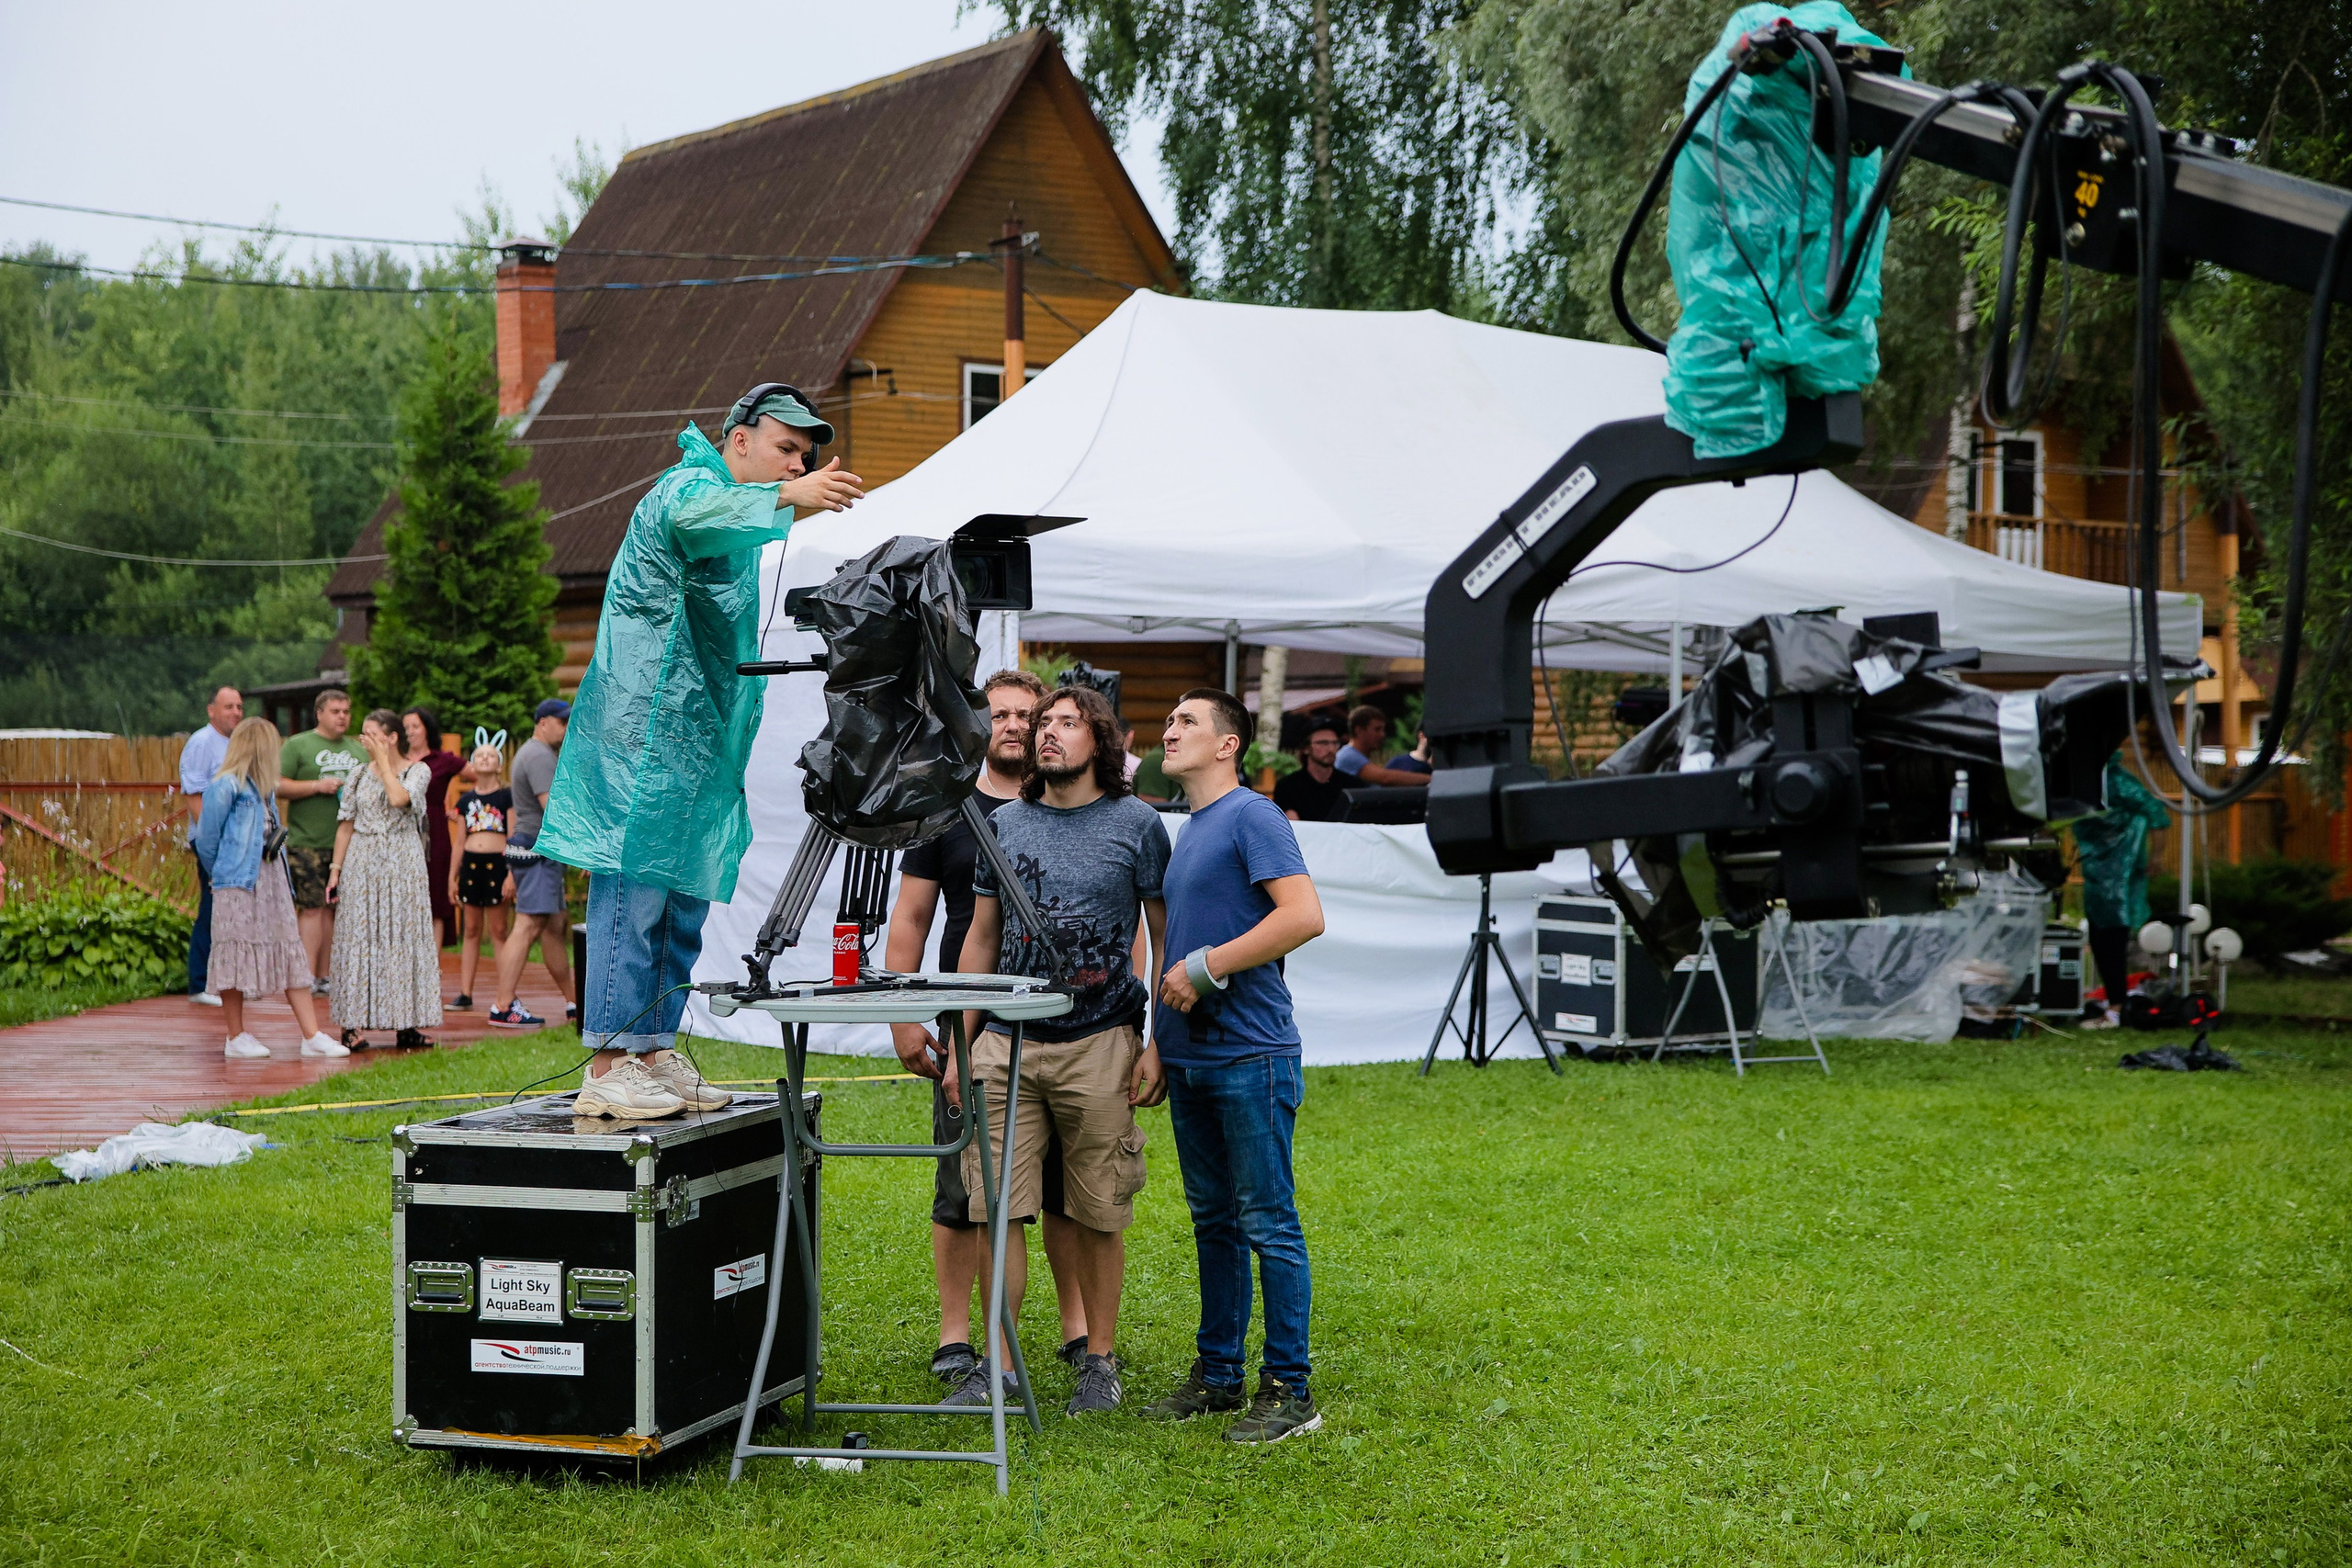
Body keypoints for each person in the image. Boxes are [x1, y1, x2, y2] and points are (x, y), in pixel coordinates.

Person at [536, 383, 864, 1117]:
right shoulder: (687, 484)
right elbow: (696, 516)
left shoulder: (743, 520)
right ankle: (608, 1062)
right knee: (635, 889)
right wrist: (793, 496)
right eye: (785, 449)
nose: (793, 465)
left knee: (681, 901)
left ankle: (652, 1049)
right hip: (642, 740)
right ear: (737, 439)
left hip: (693, 742)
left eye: (803, 458)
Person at [955, 684, 1170, 1416]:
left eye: (1067, 723)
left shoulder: (1139, 824)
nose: (1048, 734)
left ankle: (1099, 1363)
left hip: (1102, 1041)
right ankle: (998, 1363)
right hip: (1007, 1043)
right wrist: (963, 1039)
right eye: (1044, 723)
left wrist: (1154, 1043)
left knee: (1099, 1209)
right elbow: (980, 936)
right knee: (996, 1209)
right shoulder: (1003, 824)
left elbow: (1164, 935)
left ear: (1099, 740)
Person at [885, 669, 1091, 1388]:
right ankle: (955, 1336)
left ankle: (1077, 1327)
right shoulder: (944, 808)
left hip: (1063, 1021)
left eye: (1024, 715)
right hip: (966, 1021)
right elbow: (909, 918)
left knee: (1065, 1187)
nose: (1011, 725)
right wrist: (908, 1017)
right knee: (963, 1186)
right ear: (979, 726)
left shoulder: (1071, 806)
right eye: (996, 714)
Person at [1141, 687, 1328, 1444]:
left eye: (1187, 721)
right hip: (1192, 1060)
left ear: (1229, 744)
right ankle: (1219, 1375)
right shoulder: (1191, 827)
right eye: (1169, 720)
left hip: (1252, 1055)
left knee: (1268, 1223)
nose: (1169, 729)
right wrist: (1159, 1043)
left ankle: (1291, 1391)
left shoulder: (1251, 814)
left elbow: (1303, 914)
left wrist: (1208, 969)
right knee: (1214, 1222)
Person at [190, 716, 343, 1060]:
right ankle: (236, 1035)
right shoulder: (226, 786)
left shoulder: (264, 788)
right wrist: (224, 875)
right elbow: (206, 839)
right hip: (237, 881)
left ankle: (311, 1034)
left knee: (290, 948)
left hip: (272, 878)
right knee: (234, 951)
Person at [326, 709, 442, 1050]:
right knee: (358, 937)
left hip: (403, 864)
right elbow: (345, 823)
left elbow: (398, 798)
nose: (365, 740)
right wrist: (335, 869)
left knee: (402, 937)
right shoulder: (358, 774)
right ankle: (351, 1025)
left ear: (392, 737)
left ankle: (405, 1022)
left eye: (372, 734)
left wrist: (385, 763)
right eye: (363, 734)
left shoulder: (418, 771)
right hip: (362, 863)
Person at [489, 700, 577, 1030]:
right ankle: (502, 1005)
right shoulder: (539, 755)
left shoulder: (533, 752)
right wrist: (581, 847)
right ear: (542, 722)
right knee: (526, 927)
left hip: (537, 851)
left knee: (553, 929)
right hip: (538, 851)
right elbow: (552, 808)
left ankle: (574, 1002)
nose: (566, 729)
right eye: (561, 722)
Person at [2073, 754, 2172, 1030]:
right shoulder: (2086, 783)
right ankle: (2112, 1002)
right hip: (2098, 873)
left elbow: (2157, 814)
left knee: (2112, 939)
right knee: (2099, 937)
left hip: (2121, 874)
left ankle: (2116, 1009)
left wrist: (2157, 858)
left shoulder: (2117, 782)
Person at [279, 690, 362, 993]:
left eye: (346, 711)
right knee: (312, 908)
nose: (343, 716)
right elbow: (277, 784)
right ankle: (305, 977)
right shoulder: (298, 745)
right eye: (336, 711)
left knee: (333, 909)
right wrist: (317, 785)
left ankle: (325, 977)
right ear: (319, 714)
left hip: (349, 845)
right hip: (307, 841)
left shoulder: (358, 749)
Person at [180, 684, 242, 1007]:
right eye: (228, 706)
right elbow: (194, 796)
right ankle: (200, 984)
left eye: (239, 707)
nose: (235, 712)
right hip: (210, 842)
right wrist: (210, 842)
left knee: (232, 909)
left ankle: (228, 981)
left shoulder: (235, 744)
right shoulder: (202, 742)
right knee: (213, 907)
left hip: (235, 843)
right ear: (211, 710)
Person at [447, 734, 514, 1010]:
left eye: (491, 755)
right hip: (472, 865)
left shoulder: (506, 796)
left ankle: (506, 992)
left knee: (499, 930)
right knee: (471, 929)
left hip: (498, 865)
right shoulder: (466, 801)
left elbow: (513, 834)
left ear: (499, 766)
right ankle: (465, 992)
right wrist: (453, 876)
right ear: (472, 764)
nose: (485, 758)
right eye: (480, 755)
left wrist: (512, 874)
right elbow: (460, 841)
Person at [401, 706, 465, 950]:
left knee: (436, 895)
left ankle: (434, 961)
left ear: (427, 728)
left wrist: (458, 810)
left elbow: (479, 775)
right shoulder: (398, 761)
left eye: (415, 726)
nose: (410, 732)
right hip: (404, 829)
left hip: (435, 830)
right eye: (406, 727)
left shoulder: (443, 760)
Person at [1272, 716, 1364, 822]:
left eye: (1335, 743)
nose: (1331, 749)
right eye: (1323, 743)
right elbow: (1293, 827)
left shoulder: (1352, 786)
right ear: (1306, 748)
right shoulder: (1288, 787)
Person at [1334, 704, 1425, 787]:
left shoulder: (1359, 757)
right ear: (1359, 730)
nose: (1382, 735)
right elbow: (1386, 778)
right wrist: (1432, 779)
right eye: (1377, 729)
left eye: (1383, 730)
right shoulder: (1348, 756)